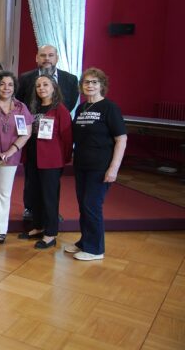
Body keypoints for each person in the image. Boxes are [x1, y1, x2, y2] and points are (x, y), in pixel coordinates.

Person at [68, 68, 127, 261]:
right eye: (86, 82)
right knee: (84, 206)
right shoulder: (82, 108)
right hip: (82, 165)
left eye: (94, 82)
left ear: (102, 85)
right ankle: (85, 241)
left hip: (100, 167)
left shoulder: (110, 108)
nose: (90, 85)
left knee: (92, 205)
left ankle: (95, 249)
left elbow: (121, 139)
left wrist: (114, 168)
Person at [18, 75, 73, 249]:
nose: (41, 88)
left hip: (51, 161)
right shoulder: (33, 108)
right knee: (35, 195)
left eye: (45, 84)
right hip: (33, 158)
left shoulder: (60, 110)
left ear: (54, 87)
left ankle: (50, 233)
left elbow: (67, 138)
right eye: (38, 85)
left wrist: (63, 159)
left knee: (49, 197)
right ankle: (38, 226)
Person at [0, 71, 32, 244]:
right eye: (2, 84)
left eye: (10, 84)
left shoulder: (20, 107)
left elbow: (25, 133)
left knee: (4, 193)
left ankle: (1, 229)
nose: (6, 88)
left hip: (11, 156)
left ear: (14, 87)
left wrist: (11, 151)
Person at [16, 44, 79, 112]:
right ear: (37, 58)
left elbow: (70, 105)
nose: (47, 58)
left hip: (60, 121)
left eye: (51, 55)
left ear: (57, 58)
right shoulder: (24, 79)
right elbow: (19, 102)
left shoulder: (71, 79)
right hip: (31, 120)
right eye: (43, 55)